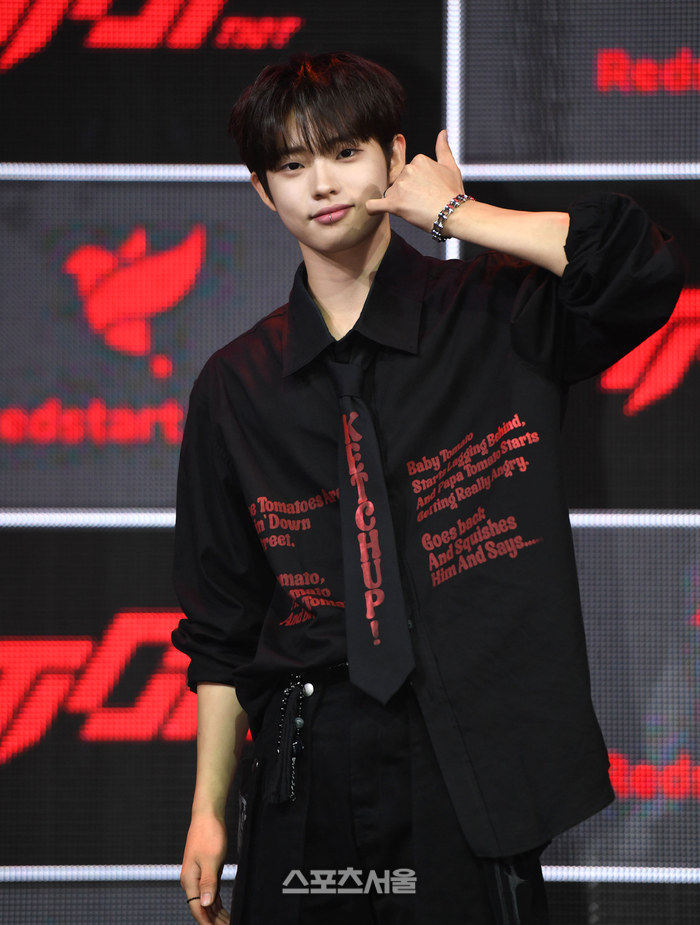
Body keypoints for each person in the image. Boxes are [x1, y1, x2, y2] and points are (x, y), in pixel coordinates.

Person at [172, 52, 685, 925]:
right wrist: (207, 811)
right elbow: (223, 627)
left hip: (470, 753)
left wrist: (457, 214)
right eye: (291, 166)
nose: (322, 184)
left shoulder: (494, 312)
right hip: (306, 762)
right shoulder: (235, 385)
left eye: (344, 152)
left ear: (393, 155)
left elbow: (637, 271)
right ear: (262, 191)